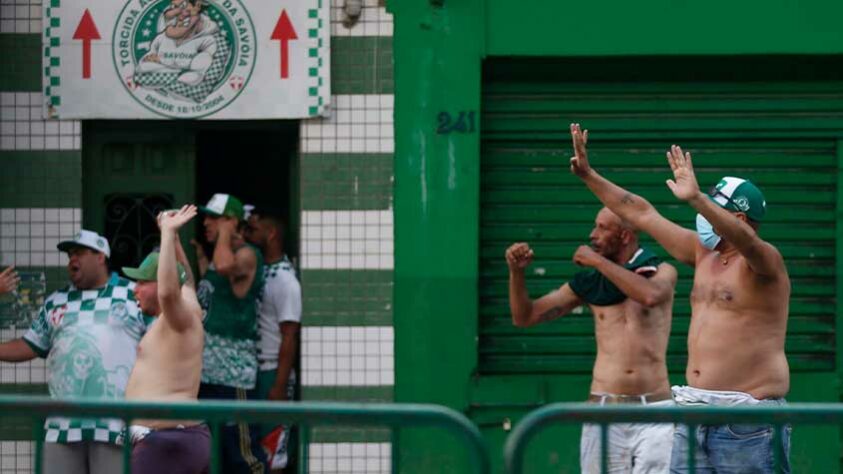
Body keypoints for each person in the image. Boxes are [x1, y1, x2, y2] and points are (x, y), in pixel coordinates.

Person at [569, 123, 791, 473]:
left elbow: (748, 242)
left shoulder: (765, 263)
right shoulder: (704, 254)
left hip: (747, 420)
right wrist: (589, 175)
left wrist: (697, 197)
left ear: (739, 218)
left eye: (712, 208)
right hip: (694, 414)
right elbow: (641, 212)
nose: (702, 216)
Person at [506, 205, 677, 472]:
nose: (592, 235)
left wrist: (597, 260)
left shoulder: (661, 271)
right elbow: (524, 317)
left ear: (625, 236)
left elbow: (650, 296)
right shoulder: (589, 283)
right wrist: (516, 272)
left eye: (602, 227)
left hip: (655, 411)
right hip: (604, 409)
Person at [0, 230, 146, 474]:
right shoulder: (56, 301)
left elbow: (161, 340)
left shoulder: (133, 294)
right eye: (69, 255)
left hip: (116, 424)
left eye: (78, 253)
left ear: (101, 256)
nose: (71, 260)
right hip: (62, 426)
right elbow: (30, 345)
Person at [122, 205, 208, 474]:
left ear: (159, 283)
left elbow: (170, 292)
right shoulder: (187, 307)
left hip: (168, 441)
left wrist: (167, 235)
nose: (134, 290)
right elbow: (187, 281)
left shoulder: (178, 317)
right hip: (171, 440)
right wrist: (173, 239)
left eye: (141, 282)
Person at [195, 193, 267, 473]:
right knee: (213, 456)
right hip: (207, 375)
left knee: (243, 457)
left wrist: (225, 235)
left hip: (233, 378)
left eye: (214, 218)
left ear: (231, 221)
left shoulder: (248, 254)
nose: (206, 223)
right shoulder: (218, 255)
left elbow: (226, 268)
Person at [245, 211, 301, 471]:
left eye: (254, 230)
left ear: (271, 234)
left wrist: (279, 384)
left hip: (272, 373)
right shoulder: (261, 271)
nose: (248, 235)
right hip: (255, 371)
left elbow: (289, 334)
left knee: (273, 451)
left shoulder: (286, 279)